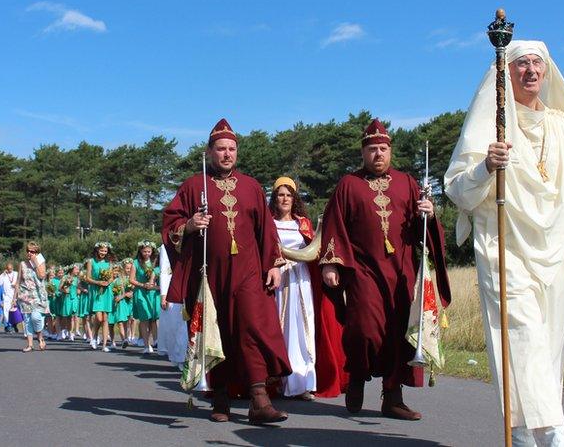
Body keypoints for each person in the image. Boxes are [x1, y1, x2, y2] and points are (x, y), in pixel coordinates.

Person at [444, 40, 564, 446]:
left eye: (537, 63)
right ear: (505, 74)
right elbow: (458, 190)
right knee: (523, 336)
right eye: (521, 65)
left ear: (547, 73)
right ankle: (554, 437)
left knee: (547, 349)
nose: (530, 71)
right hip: (504, 250)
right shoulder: (491, 128)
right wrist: (485, 167)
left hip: (556, 255)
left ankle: (520, 433)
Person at [319, 119, 451, 419]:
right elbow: (333, 226)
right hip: (364, 271)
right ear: (363, 153)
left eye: (383, 149)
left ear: (390, 151)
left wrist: (428, 214)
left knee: (399, 334)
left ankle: (393, 397)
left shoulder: (407, 182)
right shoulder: (348, 185)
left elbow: (423, 232)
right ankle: (356, 376)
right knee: (364, 330)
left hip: (402, 272)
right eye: (372, 149)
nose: (378, 154)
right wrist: (330, 262)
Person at [163, 118, 291, 424]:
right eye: (220, 148)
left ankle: (259, 399)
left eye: (231, 149)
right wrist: (190, 225)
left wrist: (273, 263)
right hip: (210, 274)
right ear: (209, 152)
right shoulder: (195, 185)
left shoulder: (251, 187)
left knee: (252, 329)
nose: (226, 154)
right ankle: (220, 397)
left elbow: (266, 229)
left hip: (248, 273)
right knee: (214, 332)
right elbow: (170, 224)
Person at [270, 177, 317, 399]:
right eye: (281, 194)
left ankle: (303, 382)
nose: (285, 198)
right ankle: (278, 380)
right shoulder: (268, 223)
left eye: (289, 194)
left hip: (300, 280)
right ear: (274, 198)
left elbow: (314, 250)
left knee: (302, 329)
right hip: (277, 281)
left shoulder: (303, 224)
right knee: (280, 329)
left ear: (294, 198)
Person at [156, 245, 188, 367]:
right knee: (176, 324)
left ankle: (183, 356)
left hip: (190, 285)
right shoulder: (168, 245)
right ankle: (179, 357)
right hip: (174, 288)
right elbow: (165, 270)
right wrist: (164, 293)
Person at [15, 241, 49, 352]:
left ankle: (40, 337)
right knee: (27, 320)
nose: (29, 253)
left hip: (38, 295)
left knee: (36, 317)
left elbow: (42, 276)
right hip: (25, 296)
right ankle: (30, 345)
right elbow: (18, 281)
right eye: (28, 251)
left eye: (32, 251)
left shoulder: (40, 261)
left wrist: (35, 263)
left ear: (36, 253)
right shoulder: (22, 264)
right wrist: (14, 298)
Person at [83, 241, 116, 352]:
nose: (103, 253)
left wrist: (108, 282)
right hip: (96, 291)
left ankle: (104, 345)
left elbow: (111, 277)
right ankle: (94, 336)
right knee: (98, 317)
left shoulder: (109, 263)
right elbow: (87, 278)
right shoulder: (91, 262)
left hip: (106, 291)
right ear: (97, 250)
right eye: (101, 250)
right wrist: (98, 282)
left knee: (105, 318)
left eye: (105, 251)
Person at [130, 241, 161, 354]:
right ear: (140, 251)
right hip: (141, 293)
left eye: (149, 251)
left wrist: (154, 286)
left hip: (153, 293)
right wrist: (143, 285)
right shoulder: (135, 263)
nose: (147, 253)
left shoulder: (155, 263)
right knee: (144, 319)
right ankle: (147, 345)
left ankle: (156, 341)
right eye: (144, 251)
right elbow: (131, 280)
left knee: (153, 318)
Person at [0, 262, 19, 332]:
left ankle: (14, 324)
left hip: (15, 296)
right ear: (6, 269)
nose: (10, 270)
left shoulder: (16, 273)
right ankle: (8, 326)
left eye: (11, 268)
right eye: (8, 269)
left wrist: (17, 285)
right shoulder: (4, 275)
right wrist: (3, 274)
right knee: (6, 312)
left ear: (13, 268)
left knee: (15, 312)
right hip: (6, 297)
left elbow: (20, 281)